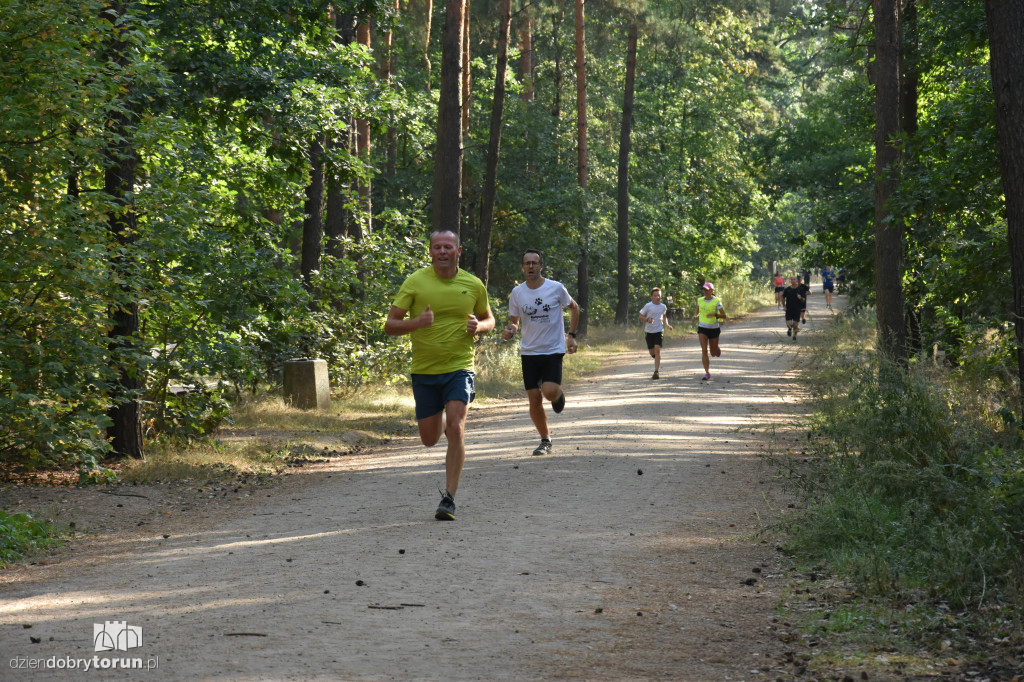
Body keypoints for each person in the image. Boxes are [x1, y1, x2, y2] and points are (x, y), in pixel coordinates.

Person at [385, 229, 495, 520]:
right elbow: (390, 324)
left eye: (449, 247)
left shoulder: (472, 284)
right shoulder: (415, 282)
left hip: (459, 367)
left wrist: (479, 327)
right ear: (431, 252)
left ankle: (449, 498)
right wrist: (417, 322)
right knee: (429, 438)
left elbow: (489, 318)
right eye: (438, 247)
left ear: (459, 251)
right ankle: (444, 416)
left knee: (457, 427)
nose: (443, 251)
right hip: (424, 371)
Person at [502, 249, 580, 456]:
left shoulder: (556, 288)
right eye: (527, 263)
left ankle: (557, 395)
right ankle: (545, 440)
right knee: (534, 398)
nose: (530, 267)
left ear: (541, 266)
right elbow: (514, 321)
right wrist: (510, 330)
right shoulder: (517, 293)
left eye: (534, 263)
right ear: (522, 267)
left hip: (553, 349)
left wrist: (571, 335)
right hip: (529, 352)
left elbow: (575, 308)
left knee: (549, 392)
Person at [690, 282, 726, 381]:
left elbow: (724, 315)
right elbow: (697, 311)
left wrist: (714, 314)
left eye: (707, 290)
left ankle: (716, 349)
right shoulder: (700, 300)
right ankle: (707, 372)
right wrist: (695, 316)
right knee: (704, 350)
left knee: (713, 353)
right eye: (704, 290)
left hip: (714, 329)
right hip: (702, 328)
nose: (705, 291)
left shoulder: (717, 301)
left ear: (712, 291)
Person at [638, 287, 673, 380]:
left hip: (659, 330)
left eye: (659, 295)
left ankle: (656, 371)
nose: (657, 297)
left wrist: (667, 325)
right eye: (655, 295)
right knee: (652, 351)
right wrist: (647, 319)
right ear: (651, 297)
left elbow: (664, 316)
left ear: (661, 296)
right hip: (649, 331)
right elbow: (640, 316)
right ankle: (656, 357)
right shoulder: (648, 306)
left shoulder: (663, 306)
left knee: (657, 349)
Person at [781, 275, 804, 341]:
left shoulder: (800, 289)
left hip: (797, 309)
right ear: (790, 281)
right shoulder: (787, 289)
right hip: (789, 309)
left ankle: (794, 336)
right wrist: (784, 306)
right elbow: (783, 297)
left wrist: (801, 298)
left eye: (794, 279)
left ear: (797, 280)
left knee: (795, 325)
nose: (793, 280)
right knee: (789, 324)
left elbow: (804, 299)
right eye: (792, 279)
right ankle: (790, 329)